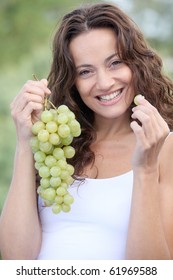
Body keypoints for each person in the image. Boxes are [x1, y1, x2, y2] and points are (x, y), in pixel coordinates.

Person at [0, 2, 173, 260]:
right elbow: (15, 261)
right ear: (72, 81)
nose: (104, 83)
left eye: (115, 62)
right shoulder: (56, 145)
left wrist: (146, 170)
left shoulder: (164, 147)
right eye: (85, 71)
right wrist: (26, 144)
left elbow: (153, 272)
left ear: (136, 63)